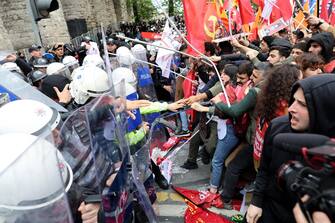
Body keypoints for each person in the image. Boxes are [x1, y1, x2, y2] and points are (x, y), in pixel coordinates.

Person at [246, 74, 335, 223]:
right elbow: (264, 169)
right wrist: (256, 201)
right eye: (293, 100)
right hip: (270, 211)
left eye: (303, 104)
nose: (291, 108)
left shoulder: (330, 151)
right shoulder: (278, 127)